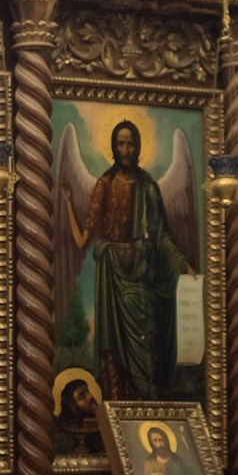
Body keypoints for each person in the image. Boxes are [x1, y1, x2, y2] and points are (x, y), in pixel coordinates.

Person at [63, 121, 193, 400]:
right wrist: (68, 204)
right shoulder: (105, 184)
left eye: (131, 144)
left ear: (138, 147)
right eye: (121, 144)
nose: (126, 150)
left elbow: (161, 235)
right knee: (114, 345)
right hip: (112, 275)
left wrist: (182, 263)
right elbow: (83, 239)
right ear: (113, 147)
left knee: (148, 341)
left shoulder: (149, 187)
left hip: (142, 273)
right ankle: (117, 405)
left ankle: (147, 402)